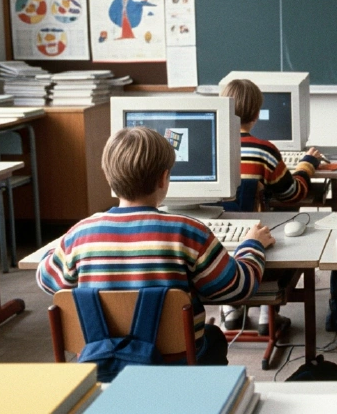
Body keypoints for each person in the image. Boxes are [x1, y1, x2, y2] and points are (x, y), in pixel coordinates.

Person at [37, 126, 275, 365]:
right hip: (175, 362)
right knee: (213, 336)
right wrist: (252, 245)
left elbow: (47, 281)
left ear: (107, 175)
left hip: (100, 364)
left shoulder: (80, 234)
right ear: (164, 178)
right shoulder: (188, 231)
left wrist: (55, 249)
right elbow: (237, 287)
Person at [220, 78, 321, 333]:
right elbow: (292, 194)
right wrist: (307, 164)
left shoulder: (212, 147)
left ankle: (230, 310)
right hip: (252, 241)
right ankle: (268, 310)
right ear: (256, 115)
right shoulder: (263, 150)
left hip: (217, 244)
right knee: (283, 225)